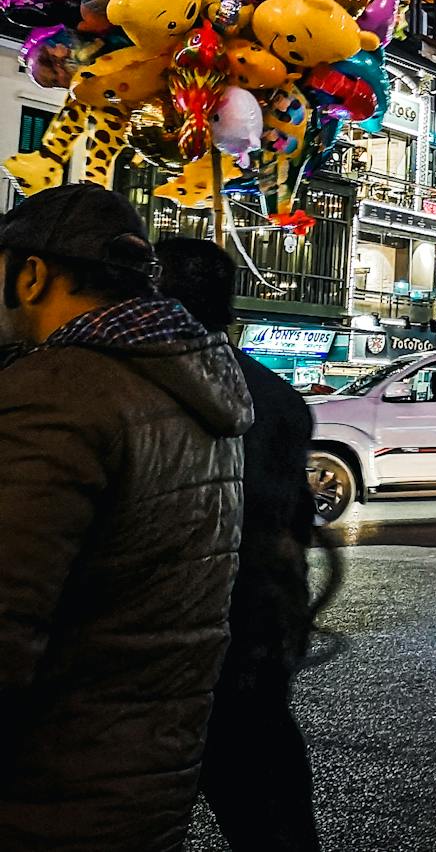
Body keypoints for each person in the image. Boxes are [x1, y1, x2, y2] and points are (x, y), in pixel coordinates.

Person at [0, 185, 251, 851]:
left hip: (43, 794)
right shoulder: (199, 391)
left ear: (30, 274)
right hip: (145, 783)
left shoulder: (59, 392)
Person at [157, 238, 320, 852]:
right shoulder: (277, 396)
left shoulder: (133, 388)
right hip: (258, 629)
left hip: (173, 639)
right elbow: (295, 519)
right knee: (269, 809)